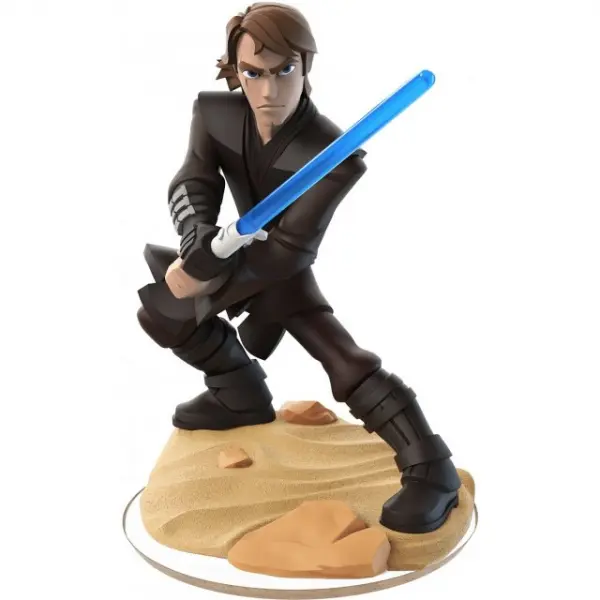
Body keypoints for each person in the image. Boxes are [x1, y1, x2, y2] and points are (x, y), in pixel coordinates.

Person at [137, 2, 461, 534]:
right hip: (230, 252)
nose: (268, 90)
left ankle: (432, 469)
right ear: (235, 70)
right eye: (253, 73)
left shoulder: (332, 152)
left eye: (284, 70)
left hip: (283, 270)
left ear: (306, 65)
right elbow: (192, 180)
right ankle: (239, 395)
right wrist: (198, 242)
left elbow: (291, 248)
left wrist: (210, 276)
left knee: (345, 362)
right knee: (161, 310)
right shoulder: (215, 114)